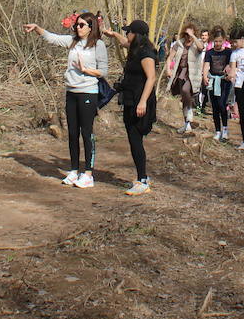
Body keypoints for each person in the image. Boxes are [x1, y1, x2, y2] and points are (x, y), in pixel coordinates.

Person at [23, 12, 108, 188]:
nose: (78, 27)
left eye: (82, 25)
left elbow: (104, 71)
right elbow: (52, 38)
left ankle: (88, 174)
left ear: (91, 27)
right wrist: (37, 28)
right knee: (72, 133)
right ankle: (74, 170)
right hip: (71, 92)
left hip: (88, 92)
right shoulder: (72, 41)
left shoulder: (98, 45)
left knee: (86, 133)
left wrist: (86, 70)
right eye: (76, 24)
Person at [111, 19, 158, 195]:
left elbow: (151, 78)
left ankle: (142, 180)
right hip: (131, 100)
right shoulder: (135, 48)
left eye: (128, 31)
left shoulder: (146, 53)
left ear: (136, 34)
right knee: (133, 138)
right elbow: (124, 42)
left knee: (135, 139)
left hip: (140, 101)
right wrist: (112, 34)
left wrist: (143, 102)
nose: (126, 34)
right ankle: (141, 176)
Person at [166, 23, 204, 134]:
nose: (188, 36)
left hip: (192, 73)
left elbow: (201, 48)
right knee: (183, 97)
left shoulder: (197, 43)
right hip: (181, 72)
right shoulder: (179, 44)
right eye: (187, 34)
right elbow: (170, 57)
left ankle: (190, 111)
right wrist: (168, 69)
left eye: (190, 34)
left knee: (185, 90)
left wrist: (194, 37)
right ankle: (186, 124)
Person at [202, 27, 234, 142]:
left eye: (220, 41)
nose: (218, 43)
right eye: (216, 41)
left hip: (224, 81)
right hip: (213, 80)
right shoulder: (210, 52)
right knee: (215, 107)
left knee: (222, 104)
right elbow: (206, 65)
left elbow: (233, 64)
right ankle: (217, 130)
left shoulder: (228, 52)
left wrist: (229, 71)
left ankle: (225, 129)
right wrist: (204, 76)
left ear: (224, 40)